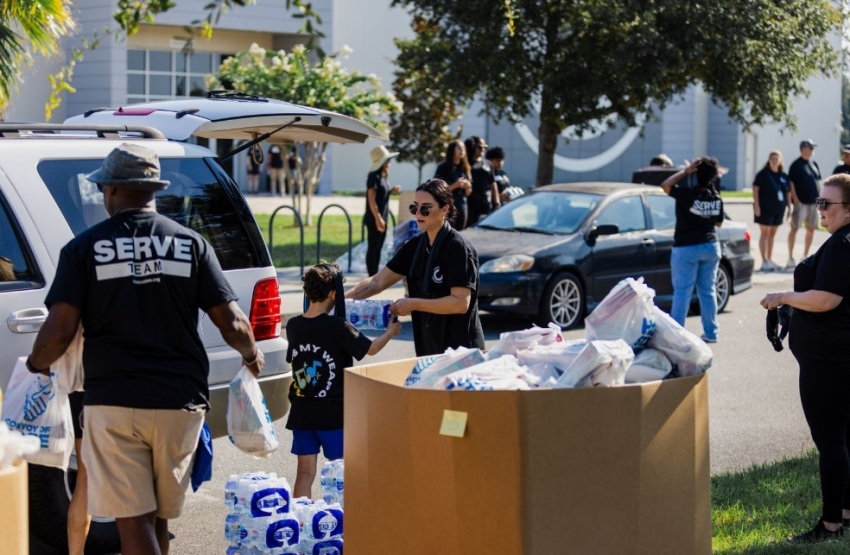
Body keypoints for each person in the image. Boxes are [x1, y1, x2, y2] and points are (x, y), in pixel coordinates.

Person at [26, 143, 264, 555]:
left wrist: (35, 365)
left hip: (115, 402)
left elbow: (60, 330)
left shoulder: (84, 249)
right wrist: (251, 355)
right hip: (180, 402)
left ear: (111, 189)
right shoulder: (192, 244)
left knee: (132, 519)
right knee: (157, 517)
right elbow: (233, 322)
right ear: (153, 189)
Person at [759, 173, 850, 544]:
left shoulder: (842, 245)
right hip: (836, 355)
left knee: (830, 440)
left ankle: (830, 525)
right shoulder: (843, 241)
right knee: (843, 437)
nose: (820, 209)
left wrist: (782, 297)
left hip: (829, 360)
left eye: (827, 203)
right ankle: (844, 512)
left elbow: (826, 299)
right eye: (819, 202)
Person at [286, 262, 400, 498]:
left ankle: (300, 517)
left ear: (306, 292)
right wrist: (390, 332)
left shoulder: (293, 325)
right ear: (333, 293)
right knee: (339, 474)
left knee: (304, 474)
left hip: (302, 412)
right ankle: (338, 517)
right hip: (333, 414)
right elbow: (370, 349)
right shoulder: (338, 327)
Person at [346, 178, 485, 356]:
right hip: (429, 346)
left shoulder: (457, 247)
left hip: (461, 350)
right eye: (414, 207)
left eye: (425, 208)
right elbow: (377, 282)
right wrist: (337, 303)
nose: (418, 213)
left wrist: (413, 304)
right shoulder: (415, 245)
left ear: (444, 209)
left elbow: (460, 303)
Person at [660, 157, 724, 343]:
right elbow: (718, 222)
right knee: (708, 290)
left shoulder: (686, 194)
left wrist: (685, 172)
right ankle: (711, 333)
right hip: (710, 246)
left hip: (686, 247)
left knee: (682, 292)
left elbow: (665, 185)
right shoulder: (715, 197)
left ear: (695, 174)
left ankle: (677, 335)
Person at [364, 146, 401, 276]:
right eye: (387, 160)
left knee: (378, 248)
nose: (389, 163)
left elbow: (381, 195)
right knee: (373, 248)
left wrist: (391, 191)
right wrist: (378, 218)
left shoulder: (382, 177)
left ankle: (375, 276)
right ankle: (371, 276)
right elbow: (371, 199)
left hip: (382, 217)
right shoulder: (373, 176)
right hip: (374, 218)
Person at [752, 150, 791, 272]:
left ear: (780, 161)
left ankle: (769, 259)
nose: (774, 161)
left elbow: (787, 192)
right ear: (769, 161)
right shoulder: (763, 174)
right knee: (765, 234)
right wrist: (757, 206)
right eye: (772, 159)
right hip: (765, 209)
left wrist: (789, 207)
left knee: (772, 235)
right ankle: (764, 261)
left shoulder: (783, 176)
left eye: (776, 159)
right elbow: (755, 189)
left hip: (778, 209)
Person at [786, 139, 822, 268]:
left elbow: (818, 182)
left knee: (811, 230)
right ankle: (790, 257)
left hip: (813, 203)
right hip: (801, 202)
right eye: (810, 147)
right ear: (804, 148)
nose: (812, 150)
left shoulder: (814, 163)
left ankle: (805, 256)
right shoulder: (796, 165)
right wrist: (795, 199)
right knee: (794, 229)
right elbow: (791, 182)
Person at [434, 140, 472, 229]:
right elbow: (437, 189)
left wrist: (467, 186)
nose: (462, 151)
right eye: (459, 148)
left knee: (460, 233)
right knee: (447, 232)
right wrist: (455, 185)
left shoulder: (465, 167)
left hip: (462, 206)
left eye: (463, 148)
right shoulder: (443, 167)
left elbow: (468, 193)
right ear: (452, 150)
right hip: (448, 208)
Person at [464, 136, 500, 226]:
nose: (483, 150)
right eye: (480, 147)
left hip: (485, 202)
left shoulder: (488, 164)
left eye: (485, 147)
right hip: (470, 202)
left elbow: (493, 183)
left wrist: (496, 202)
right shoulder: (466, 163)